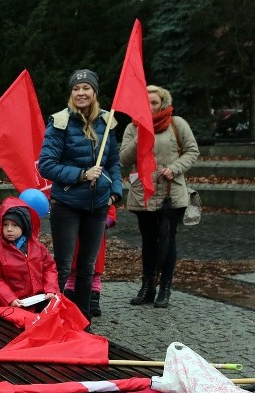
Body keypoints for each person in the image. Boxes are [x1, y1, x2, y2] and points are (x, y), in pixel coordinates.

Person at [38, 68, 122, 322]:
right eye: (76, 88)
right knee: (63, 266)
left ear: (94, 93)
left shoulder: (107, 123)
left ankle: (82, 321)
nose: (81, 93)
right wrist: (82, 174)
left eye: (86, 88)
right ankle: (53, 318)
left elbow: (114, 164)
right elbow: (46, 165)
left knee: (87, 267)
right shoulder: (60, 122)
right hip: (67, 204)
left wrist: (115, 193)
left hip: (97, 206)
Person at [120, 84, 199, 308]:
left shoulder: (177, 123)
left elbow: (192, 150)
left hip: (170, 193)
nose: (150, 107)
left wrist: (175, 167)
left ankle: (165, 288)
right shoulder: (132, 128)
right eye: (145, 103)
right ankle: (147, 287)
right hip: (142, 194)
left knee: (167, 240)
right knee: (148, 241)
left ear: (162, 103)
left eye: (154, 102)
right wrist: (142, 133)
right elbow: (124, 159)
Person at [0, 197, 58, 308]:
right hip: (16, 304)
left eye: (15, 225)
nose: (9, 229)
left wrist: (51, 289)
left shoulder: (38, 248)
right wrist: (10, 298)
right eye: (5, 225)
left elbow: (50, 268)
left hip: (42, 299)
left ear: (24, 226)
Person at [64, 204, 118, 316]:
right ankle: (70, 296)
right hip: (75, 236)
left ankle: (93, 299)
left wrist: (101, 223)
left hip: (94, 236)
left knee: (94, 271)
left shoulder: (102, 195)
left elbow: (111, 214)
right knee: (73, 270)